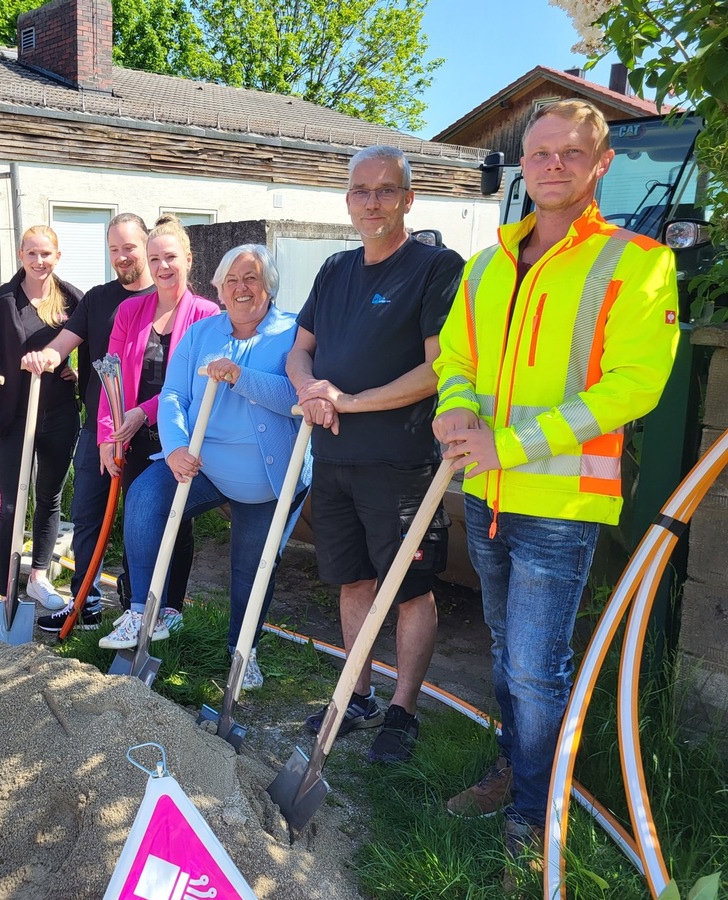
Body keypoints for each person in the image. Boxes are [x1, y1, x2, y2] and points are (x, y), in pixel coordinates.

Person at [432, 100, 679, 882]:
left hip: (561, 505)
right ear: (522, 163)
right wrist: (457, 409)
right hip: (487, 495)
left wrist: (507, 442)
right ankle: (519, 773)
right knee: (508, 655)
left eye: (572, 152)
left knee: (538, 669)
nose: (553, 165)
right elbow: (454, 360)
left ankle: (536, 817)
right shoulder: (487, 266)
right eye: (539, 152)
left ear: (601, 164)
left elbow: (631, 388)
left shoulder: (635, 263)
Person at [287, 145, 464, 763]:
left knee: (410, 587)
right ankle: (357, 694)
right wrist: (309, 390)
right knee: (353, 580)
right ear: (347, 200)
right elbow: (298, 349)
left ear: (409, 199)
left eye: (386, 190)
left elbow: (438, 368)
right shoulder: (335, 269)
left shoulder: (437, 267)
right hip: (334, 459)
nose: (372, 202)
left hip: (401, 461)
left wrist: (350, 400)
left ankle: (403, 708)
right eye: (361, 191)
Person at [100, 244, 311, 692]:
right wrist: (175, 446)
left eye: (251, 278)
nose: (241, 288)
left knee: (251, 566)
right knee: (145, 496)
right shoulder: (203, 332)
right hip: (205, 463)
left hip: (266, 479)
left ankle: (242, 652)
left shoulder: (293, 333)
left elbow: (298, 400)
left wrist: (241, 376)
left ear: (269, 286)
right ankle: (142, 611)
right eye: (232, 280)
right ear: (217, 287)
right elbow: (174, 394)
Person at [21, 214, 155, 633]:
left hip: (151, 433)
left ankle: (138, 609)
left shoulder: (165, 297)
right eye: (113, 249)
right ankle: (85, 604)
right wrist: (46, 357)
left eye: (128, 248)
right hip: (99, 430)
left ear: (147, 246)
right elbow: (65, 343)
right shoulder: (97, 299)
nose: (120, 257)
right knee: (86, 515)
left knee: (140, 519)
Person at [96, 216, 220, 631]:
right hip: (131, 434)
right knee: (137, 515)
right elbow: (109, 375)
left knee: (174, 519)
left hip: (179, 433)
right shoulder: (130, 310)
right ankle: (136, 607)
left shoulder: (207, 314)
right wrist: (105, 435)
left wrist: (144, 412)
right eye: (155, 259)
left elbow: (190, 383)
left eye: (171, 257)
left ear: (188, 258)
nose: (163, 266)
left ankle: (169, 610)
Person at [0, 225, 83, 613]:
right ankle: (6, 594)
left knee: (49, 497)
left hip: (58, 413)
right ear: (21, 256)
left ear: (57, 256)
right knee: (10, 505)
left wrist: (78, 372)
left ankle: (38, 577)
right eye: (32, 254)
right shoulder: (2, 303)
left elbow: (94, 345)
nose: (39, 261)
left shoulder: (72, 300)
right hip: (13, 414)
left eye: (46, 254)